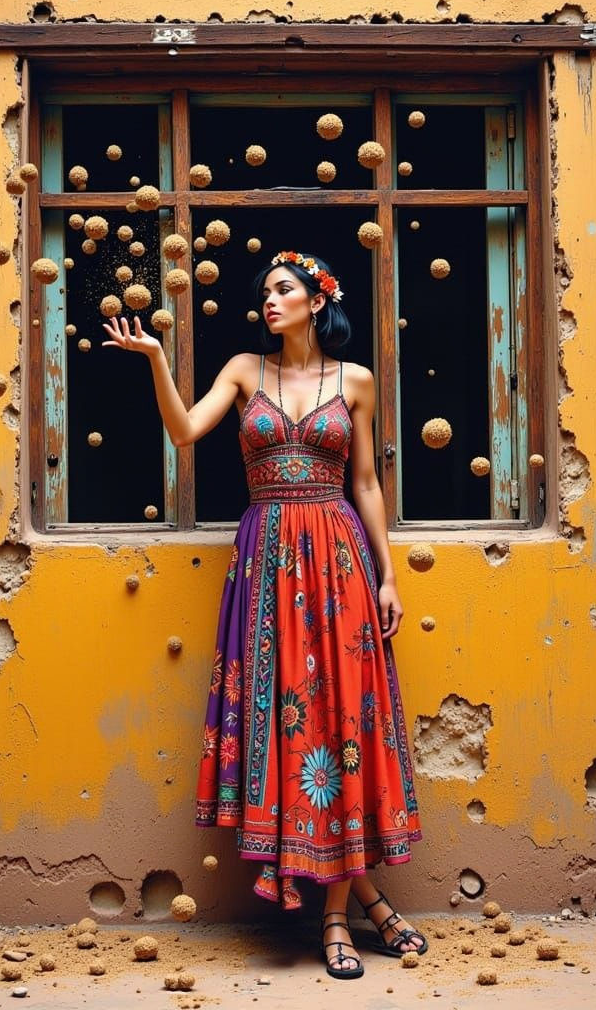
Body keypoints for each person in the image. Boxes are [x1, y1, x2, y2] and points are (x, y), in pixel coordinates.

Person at [102, 250, 426, 980]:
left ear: (318, 298)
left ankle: (340, 914)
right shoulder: (247, 369)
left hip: (340, 559)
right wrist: (155, 356)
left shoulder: (358, 382)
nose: (270, 302)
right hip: (266, 561)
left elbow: (369, 482)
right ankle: (366, 906)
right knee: (289, 725)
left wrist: (388, 575)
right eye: (266, 293)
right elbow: (185, 430)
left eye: (283, 290)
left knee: (342, 719)